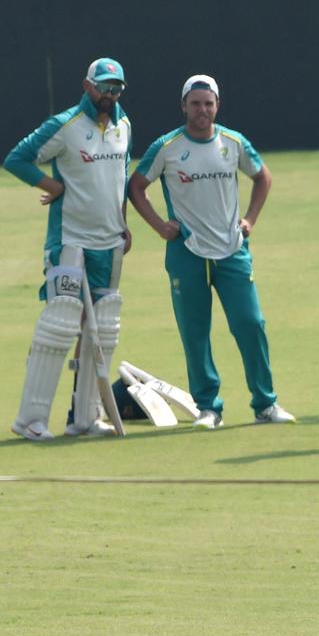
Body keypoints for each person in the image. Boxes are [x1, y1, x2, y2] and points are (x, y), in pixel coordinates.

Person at [128, 74, 294, 430]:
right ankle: (209, 408)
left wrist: (249, 219)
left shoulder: (233, 143)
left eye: (209, 103)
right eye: (195, 103)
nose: (202, 110)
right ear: (184, 105)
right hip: (186, 252)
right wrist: (160, 226)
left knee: (251, 324)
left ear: (217, 106)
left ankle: (265, 404)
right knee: (195, 331)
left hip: (232, 251)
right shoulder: (168, 146)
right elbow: (137, 187)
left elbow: (262, 176)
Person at [5, 58, 132, 440]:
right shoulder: (64, 125)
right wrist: (52, 186)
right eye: (104, 87)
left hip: (110, 241)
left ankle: (84, 417)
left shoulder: (124, 125)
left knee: (103, 327)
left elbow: (121, 177)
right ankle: (30, 420)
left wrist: (124, 222)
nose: (110, 95)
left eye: (116, 88)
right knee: (61, 322)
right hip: (70, 240)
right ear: (88, 86)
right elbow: (17, 159)